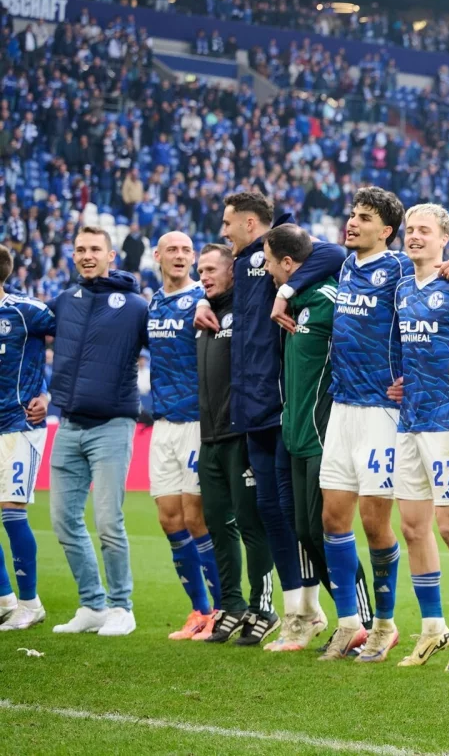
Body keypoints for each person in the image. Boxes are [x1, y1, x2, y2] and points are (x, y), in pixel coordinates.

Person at [195, 191, 347, 647]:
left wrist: (285, 289)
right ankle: (300, 610)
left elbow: (333, 253)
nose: (223, 230)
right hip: (251, 411)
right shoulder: (244, 263)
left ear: (249, 223)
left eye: (228, 223)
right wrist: (200, 303)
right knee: (270, 512)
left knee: (294, 516)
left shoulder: (277, 249)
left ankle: (329, 612)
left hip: (282, 406)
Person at [261, 224, 372, 653]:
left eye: (270, 263)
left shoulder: (330, 300)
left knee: (325, 529)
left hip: (323, 436)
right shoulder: (293, 303)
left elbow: (367, 345)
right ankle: (348, 620)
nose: (267, 270)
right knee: (304, 532)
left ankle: (366, 621)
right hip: (293, 434)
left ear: (289, 264)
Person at [313, 186, 411, 663]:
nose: (352, 222)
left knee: (374, 523)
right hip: (342, 406)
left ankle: (385, 626)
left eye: (365, 217)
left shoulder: (401, 269)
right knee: (332, 517)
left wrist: (414, 375)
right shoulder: (346, 264)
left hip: (381, 411)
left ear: (386, 231)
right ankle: (349, 623)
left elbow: (436, 302)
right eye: (352, 214)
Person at [387, 204, 449, 671]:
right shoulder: (402, 287)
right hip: (410, 420)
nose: (414, 237)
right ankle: (432, 629)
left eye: (424, 230)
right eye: (410, 230)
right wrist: (401, 380)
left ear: (444, 237)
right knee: (412, 527)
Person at [48, 226, 148, 637]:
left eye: (95, 249)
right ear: (73, 255)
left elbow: (167, 350)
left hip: (112, 426)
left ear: (111, 256)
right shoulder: (63, 301)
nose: (87, 255)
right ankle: (92, 604)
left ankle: (122, 607)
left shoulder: (135, 306)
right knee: (63, 522)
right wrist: (35, 394)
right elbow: (29, 340)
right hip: (68, 426)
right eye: (80, 249)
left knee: (108, 522)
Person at [193, 243, 275, 644]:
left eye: (211, 269)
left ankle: (263, 607)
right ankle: (232, 603)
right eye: (200, 271)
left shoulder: (247, 313)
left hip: (241, 435)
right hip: (209, 438)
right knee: (216, 524)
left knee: (250, 524)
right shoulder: (202, 314)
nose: (203, 277)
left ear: (232, 271)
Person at [147, 231, 220, 641]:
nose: (179, 256)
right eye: (172, 250)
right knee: (169, 518)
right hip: (162, 424)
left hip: (196, 422)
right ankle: (199, 610)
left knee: (196, 518)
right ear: (157, 256)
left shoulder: (202, 299)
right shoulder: (152, 304)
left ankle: (222, 610)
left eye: (186, 250)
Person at [0, 245, 55, 632]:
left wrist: (49, 394)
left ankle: (30, 603)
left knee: (11, 511)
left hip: (19, 424)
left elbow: (74, 343)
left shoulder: (26, 310)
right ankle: (5, 599)